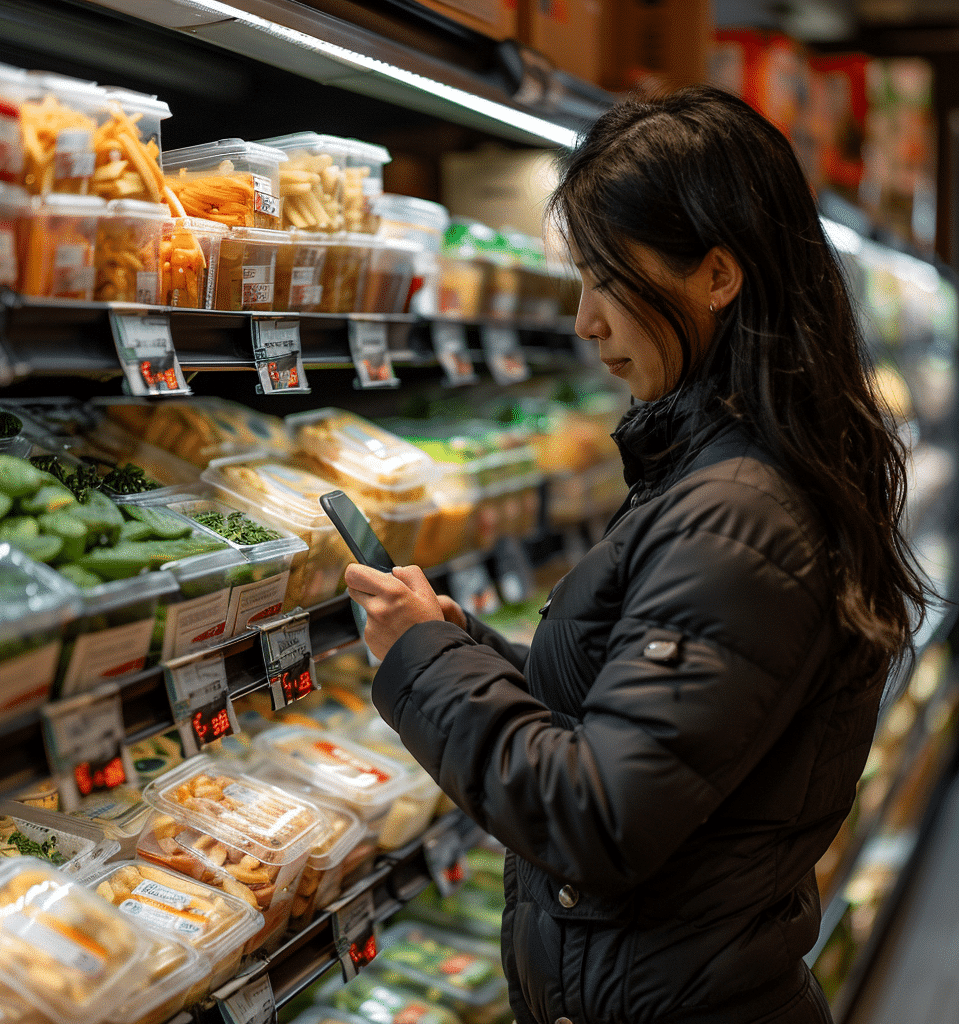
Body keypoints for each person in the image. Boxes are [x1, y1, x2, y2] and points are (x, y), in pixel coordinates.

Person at [345, 85, 930, 1024]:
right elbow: (643, 728)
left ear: (718, 275)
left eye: (607, 278)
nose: (585, 321)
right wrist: (458, 644)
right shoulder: (730, 473)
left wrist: (422, 667)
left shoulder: (740, 513)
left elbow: (601, 818)